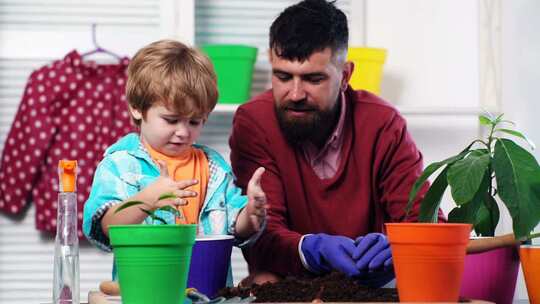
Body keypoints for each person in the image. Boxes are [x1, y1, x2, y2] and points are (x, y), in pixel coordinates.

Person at [229, 0, 444, 287]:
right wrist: (310, 248)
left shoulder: (382, 123)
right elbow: (259, 234)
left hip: (367, 286)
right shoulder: (254, 122)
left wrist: (395, 244)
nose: (294, 94)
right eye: (283, 76)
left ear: (345, 75)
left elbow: (427, 223)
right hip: (286, 284)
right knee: (262, 280)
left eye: (313, 79)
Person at [83, 40, 267, 279]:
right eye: (171, 120)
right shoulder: (120, 164)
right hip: (146, 290)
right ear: (137, 108)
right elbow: (107, 227)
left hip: (206, 290)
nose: (183, 132)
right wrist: (148, 199)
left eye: (194, 121)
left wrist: (251, 215)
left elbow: (234, 225)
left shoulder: (213, 168)